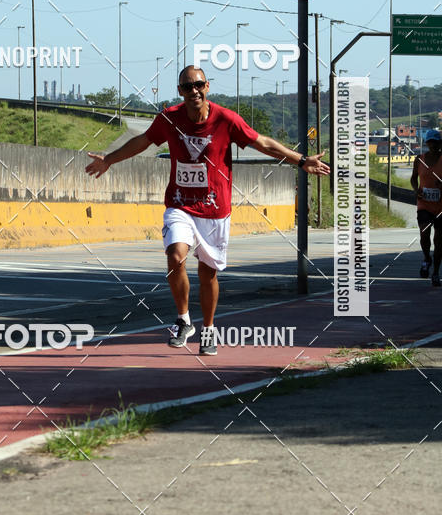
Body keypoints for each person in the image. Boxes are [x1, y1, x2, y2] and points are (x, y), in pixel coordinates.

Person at [85, 66, 330, 355]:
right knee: (175, 255)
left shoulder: (226, 119)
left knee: (207, 275)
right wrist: (109, 159)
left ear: (207, 86)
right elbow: (143, 141)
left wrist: (300, 160)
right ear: (180, 91)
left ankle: (209, 329)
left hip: (215, 211)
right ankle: (183, 319)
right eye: (188, 87)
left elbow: (262, 142)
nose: (194, 91)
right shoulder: (169, 118)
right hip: (180, 204)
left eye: (199, 85)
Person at [410, 129, 442, 287]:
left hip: (441, 206)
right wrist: (416, 190)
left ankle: (435, 272)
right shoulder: (419, 160)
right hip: (424, 204)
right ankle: (427, 258)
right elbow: (413, 179)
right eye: (430, 142)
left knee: (439, 241)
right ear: (427, 143)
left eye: (436, 142)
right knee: (424, 234)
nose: (433, 145)